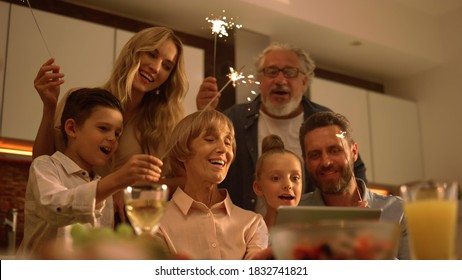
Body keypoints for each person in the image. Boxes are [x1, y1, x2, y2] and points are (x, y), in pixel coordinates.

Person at [32, 26, 188, 226]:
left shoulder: (165, 125)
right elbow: (41, 165)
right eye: (151, 54)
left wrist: (133, 189)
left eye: (167, 66)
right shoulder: (80, 101)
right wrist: (49, 108)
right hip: (64, 225)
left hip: (121, 230)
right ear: (133, 52)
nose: (156, 68)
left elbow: (185, 182)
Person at [196, 42, 367, 213]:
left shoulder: (324, 122)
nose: (280, 80)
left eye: (289, 72)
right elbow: (204, 168)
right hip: (242, 232)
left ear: (305, 81)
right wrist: (203, 119)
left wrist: (356, 207)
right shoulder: (234, 119)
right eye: (271, 72)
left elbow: (354, 169)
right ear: (260, 79)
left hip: (307, 231)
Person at [17, 88, 163, 258]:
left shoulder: (104, 190)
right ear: (72, 128)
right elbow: (55, 208)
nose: (113, 138)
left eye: (117, 133)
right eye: (103, 128)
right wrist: (116, 180)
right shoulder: (45, 166)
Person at [157, 110, 268, 259]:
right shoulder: (156, 222)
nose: (223, 149)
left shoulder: (253, 224)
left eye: (228, 142)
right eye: (209, 139)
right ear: (182, 153)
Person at [298, 111, 410, 259]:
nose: (326, 162)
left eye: (335, 150)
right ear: (305, 161)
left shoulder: (399, 212)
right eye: (315, 155)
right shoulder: (296, 214)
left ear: (354, 152)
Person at [253, 134, 303, 228]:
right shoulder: (247, 234)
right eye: (276, 178)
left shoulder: (312, 235)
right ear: (258, 188)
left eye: (295, 178)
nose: (288, 185)